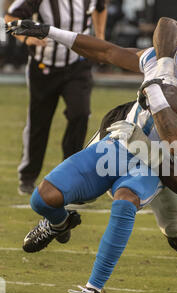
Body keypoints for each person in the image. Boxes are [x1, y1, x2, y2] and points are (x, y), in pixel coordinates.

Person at [6, 16, 177, 293]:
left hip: (160, 163)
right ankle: (58, 223)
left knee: (138, 209)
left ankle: (92, 291)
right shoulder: (167, 61)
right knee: (43, 199)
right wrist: (51, 32)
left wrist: (156, 91)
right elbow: (109, 52)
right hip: (122, 143)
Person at [4, 0, 108, 195]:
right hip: (44, 68)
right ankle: (27, 177)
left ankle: (71, 174)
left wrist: (100, 37)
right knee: (39, 122)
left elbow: (100, 8)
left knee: (80, 114)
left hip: (77, 65)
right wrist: (26, 39)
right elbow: (10, 17)